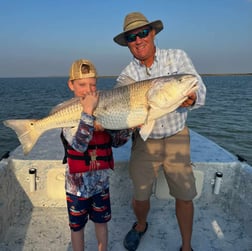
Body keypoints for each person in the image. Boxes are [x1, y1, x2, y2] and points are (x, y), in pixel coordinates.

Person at [113, 12, 206, 251]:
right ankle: (141, 225)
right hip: (145, 141)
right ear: (127, 44)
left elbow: (198, 87)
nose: (138, 39)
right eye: (132, 36)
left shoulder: (177, 57)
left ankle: (186, 246)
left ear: (153, 33)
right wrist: (123, 124)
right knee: (140, 195)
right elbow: (119, 114)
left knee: (185, 195)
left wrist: (192, 98)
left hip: (177, 136)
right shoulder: (126, 75)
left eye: (143, 32)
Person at [61, 59, 131, 251]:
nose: (88, 90)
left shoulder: (104, 107)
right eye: (82, 84)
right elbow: (80, 145)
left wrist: (128, 126)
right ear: (71, 85)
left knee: (102, 223)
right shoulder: (68, 114)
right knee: (77, 228)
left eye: (92, 84)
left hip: (101, 185)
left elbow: (117, 142)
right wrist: (88, 113)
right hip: (76, 189)